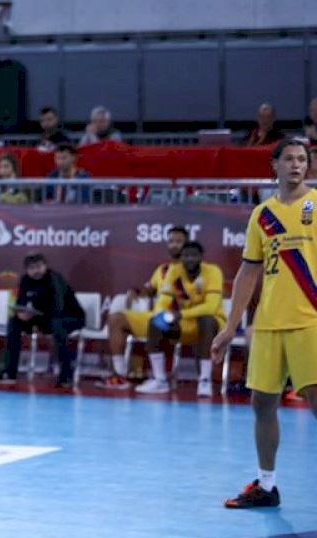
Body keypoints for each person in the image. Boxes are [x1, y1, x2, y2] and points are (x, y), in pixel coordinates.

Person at [213, 139, 317, 508]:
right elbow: (248, 272)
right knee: (262, 403)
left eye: (302, 159)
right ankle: (267, 486)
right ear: (274, 165)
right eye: (289, 159)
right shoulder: (262, 215)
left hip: (311, 319)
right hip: (270, 322)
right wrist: (230, 327)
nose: (296, 165)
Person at [99, 225, 188, 390]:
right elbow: (149, 289)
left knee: (158, 321)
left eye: (179, 241)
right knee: (116, 319)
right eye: (171, 241)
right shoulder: (163, 270)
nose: (174, 245)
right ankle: (121, 375)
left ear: (187, 244)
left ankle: (160, 380)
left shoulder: (192, 269)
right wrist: (136, 291)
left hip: (179, 320)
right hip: (156, 318)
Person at [133, 241, 224, 396]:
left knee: (207, 320)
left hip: (213, 322)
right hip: (185, 322)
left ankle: (205, 380)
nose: (190, 259)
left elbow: (211, 307)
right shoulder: (175, 271)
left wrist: (180, 314)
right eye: (186, 256)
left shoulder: (213, 271)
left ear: (201, 257)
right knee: (155, 323)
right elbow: (164, 300)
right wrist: (161, 314)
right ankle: (160, 381)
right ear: (181, 258)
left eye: (194, 255)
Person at [0, 253, 84, 388]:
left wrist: (35, 315)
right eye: (32, 268)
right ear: (27, 270)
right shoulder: (25, 280)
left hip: (70, 317)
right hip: (41, 318)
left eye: (39, 267)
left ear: (45, 266)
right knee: (14, 323)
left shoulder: (54, 279)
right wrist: (22, 314)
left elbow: (58, 308)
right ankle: (9, 373)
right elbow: (21, 303)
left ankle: (66, 375)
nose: (36, 271)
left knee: (57, 325)